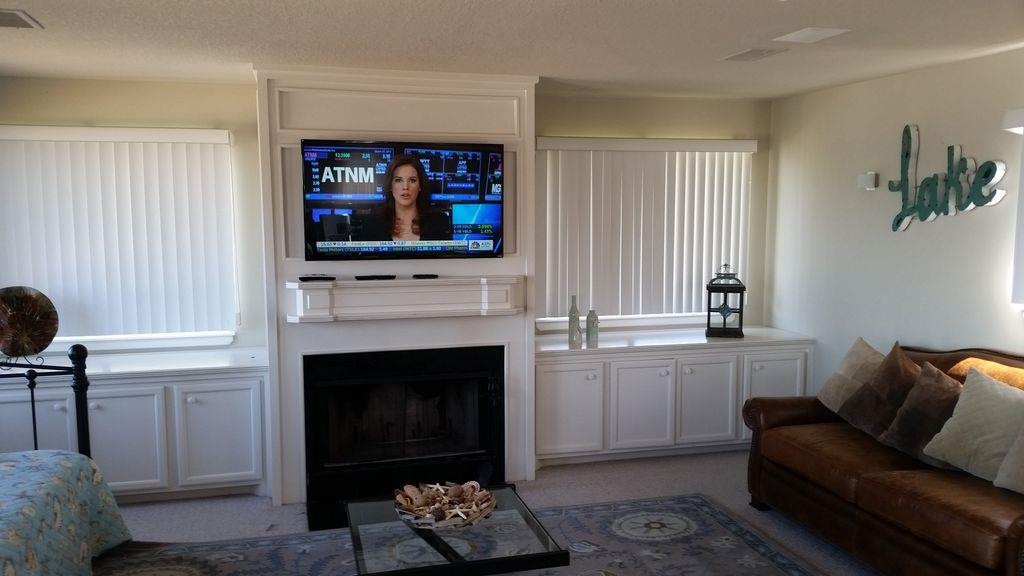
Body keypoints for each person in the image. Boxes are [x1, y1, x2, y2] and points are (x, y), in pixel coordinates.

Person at [359, 154, 452, 241]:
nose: (405, 187)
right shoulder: (372, 224)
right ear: (390, 185)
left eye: (412, 180)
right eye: (398, 180)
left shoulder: (439, 221)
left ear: (420, 186)